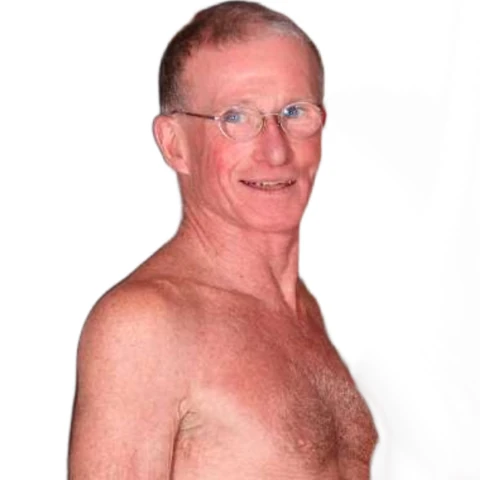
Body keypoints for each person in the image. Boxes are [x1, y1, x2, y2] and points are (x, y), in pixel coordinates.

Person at [68, 1, 378, 478]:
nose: (276, 151)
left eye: (295, 112)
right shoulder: (146, 325)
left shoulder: (303, 312)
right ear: (175, 144)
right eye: (236, 118)